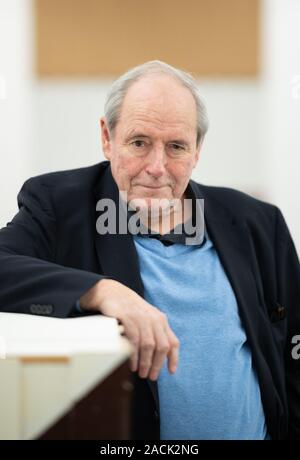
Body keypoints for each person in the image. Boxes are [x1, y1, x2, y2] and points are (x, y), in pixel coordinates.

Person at [0, 60, 299, 440]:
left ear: (197, 150)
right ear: (107, 137)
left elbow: (292, 354)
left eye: (176, 147)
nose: (157, 168)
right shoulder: (60, 206)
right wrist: (102, 291)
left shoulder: (258, 222)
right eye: (140, 143)